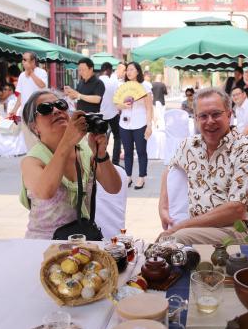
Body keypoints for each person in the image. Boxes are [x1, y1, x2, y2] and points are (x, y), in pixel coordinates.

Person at [158, 87, 248, 245]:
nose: (210, 121)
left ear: (229, 115)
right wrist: (163, 206)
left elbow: (236, 210)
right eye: (203, 116)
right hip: (198, 229)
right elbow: (170, 169)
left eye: (216, 114)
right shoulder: (189, 146)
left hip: (239, 231)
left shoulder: (245, 151)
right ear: (196, 119)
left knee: (175, 239)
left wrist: (179, 228)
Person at [19, 90, 121, 239]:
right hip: (44, 247)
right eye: (45, 108)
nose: (56, 110)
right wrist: (67, 141)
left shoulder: (84, 149)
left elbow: (114, 187)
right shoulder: (32, 160)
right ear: (34, 127)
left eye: (60, 104)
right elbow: (45, 192)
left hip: (81, 245)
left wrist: (101, 155)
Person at [114, 62, 153, 190]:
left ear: (138, 71)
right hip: (124, 124)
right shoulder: (122, 86)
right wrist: (123, 106)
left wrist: (149, 125)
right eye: (127, 70)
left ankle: (142, 177)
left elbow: (149, 108)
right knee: (127, 152)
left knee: (141, 151)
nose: (129, 72)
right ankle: (128, 176)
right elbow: (117, 105)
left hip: (140, 123)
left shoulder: (145, 87)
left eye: (132, 69)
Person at [10, 52, 48, 117]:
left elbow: (42, 85)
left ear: (33, 61)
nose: (22, 62)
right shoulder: (22, 75)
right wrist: (14, 110)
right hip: (25, 112)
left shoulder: (42, 72)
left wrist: (31, 72)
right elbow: (20, 95)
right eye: (22, 59)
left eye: (25, 60)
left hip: (38, 112)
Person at [99, 62, 121, 165]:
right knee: (117, 136)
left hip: (99, 114)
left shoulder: (96, 81)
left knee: (100, 137)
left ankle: (100, 158)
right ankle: (115, 161)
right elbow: (118, 97)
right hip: (113, 113)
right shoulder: (114, 82)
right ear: (108, 70)